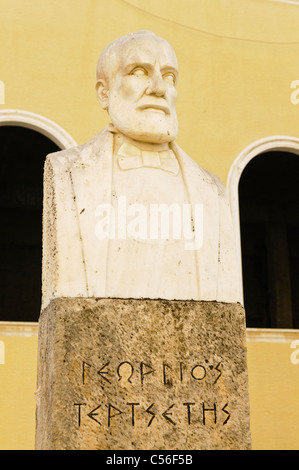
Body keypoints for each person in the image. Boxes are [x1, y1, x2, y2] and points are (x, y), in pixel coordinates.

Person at [42, 31, 241, 309]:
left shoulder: (212, 192)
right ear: (104, 93)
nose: (159, 88)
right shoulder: (69, 174)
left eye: (169, 76)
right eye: (139, 72)